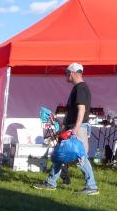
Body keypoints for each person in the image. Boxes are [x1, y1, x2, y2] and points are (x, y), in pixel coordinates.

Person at [32, 63, 98, 195]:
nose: (65, 75)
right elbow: (73, 112)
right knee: (60, 155)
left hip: (77, 128)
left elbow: (81, 109)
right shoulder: (78, 88)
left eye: (66, 73)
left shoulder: (81, 88)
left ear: (72, 73)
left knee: (81, 157)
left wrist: (76, 128)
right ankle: (51, 183)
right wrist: (63, 126)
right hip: (72, 127)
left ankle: (91, 186)